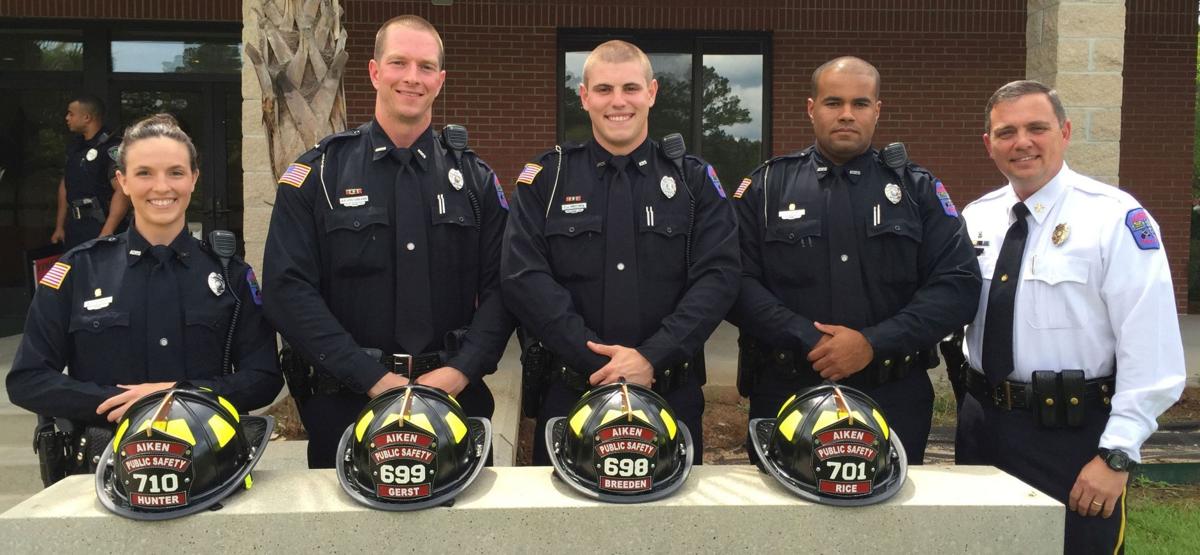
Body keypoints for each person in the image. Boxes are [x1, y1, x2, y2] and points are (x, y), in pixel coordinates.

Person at [262, 15, 513, 469]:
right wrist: (371, 377)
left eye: (425, 66)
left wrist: (462, 369)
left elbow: (504, 287)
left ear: (440, 80)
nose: (411, 77)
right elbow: (287, 291)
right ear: (376, 72)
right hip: (347, 403)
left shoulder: (475, 181)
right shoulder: (318, 175)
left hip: (456, 399)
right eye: (399, 63)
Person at [957, 80, 1185, 553]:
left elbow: (1151, 349)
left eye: (1036, 128)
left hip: (1073, 437)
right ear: (988, 144)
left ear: (1064, 131)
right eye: (1006, 132)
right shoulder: (976, 219)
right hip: (982, 428)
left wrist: (1116, 455)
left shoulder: (1114, 219)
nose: (1022, 142)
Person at [727, 56, 981, 465]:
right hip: (788, 392)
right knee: (782, 526)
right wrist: (809, 339)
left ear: (877, 111)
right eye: (833, 103)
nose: (846, 114)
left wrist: (871, 343)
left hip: (893, 395)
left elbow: (958, 287)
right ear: (811, 109)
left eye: (860, 104)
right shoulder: (766, 187)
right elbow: (735, 283)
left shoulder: (917, 190)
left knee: (889, 523)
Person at [502, 40, 740, 466]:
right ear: (584, 96)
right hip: (572, 391)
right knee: (563, 526)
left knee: (673, 527)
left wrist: (651, 357)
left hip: (671, 391)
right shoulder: (546, 179)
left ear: (651, 93)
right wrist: (599, 363)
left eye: (630, 88)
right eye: (605, 89)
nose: (618, 102)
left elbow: (718, 277)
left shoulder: (693, 181)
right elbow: (524, 277)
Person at [8, 113, 282, 463]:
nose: (162, 187)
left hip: (209, 468)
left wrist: (176, 396)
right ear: (122, 181)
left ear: (194, 179)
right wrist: (117, 402)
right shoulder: (78, 270)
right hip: (103, 466)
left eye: (176, 172)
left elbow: (263, 378)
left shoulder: (230, 275)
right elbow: (28, 380)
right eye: (144, 173)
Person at [52, 95, 129, 249]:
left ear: (87, 117)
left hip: (101, 225)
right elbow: (65, 184)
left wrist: (107, 231)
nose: (67, 118)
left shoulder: (111, 147)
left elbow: (122, 191)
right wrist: (59, 226)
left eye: (71, 114)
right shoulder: (75, 147)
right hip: (75, 227)